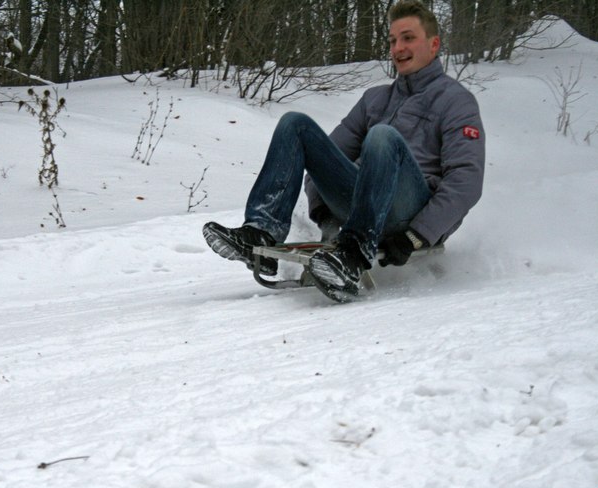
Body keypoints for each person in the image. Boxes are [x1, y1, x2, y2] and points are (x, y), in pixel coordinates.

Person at [203, 0, 485, 301]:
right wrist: (325, 214)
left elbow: (466, 181)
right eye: (392, 41)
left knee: (382, 137)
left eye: (408, 38)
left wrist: (418, 235)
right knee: (295, 124)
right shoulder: (375, 99)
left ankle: (353, 254)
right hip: (360, 204)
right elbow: (329, 155)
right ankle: (261, 230)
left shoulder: (456, 101)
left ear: (434, 44)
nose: (398, 48)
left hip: (407, 212)